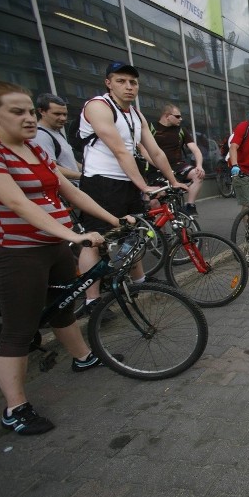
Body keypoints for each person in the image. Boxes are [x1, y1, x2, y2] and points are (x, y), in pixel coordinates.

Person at [0, 82, 130, 435]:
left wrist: (115, 219)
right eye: (17, 111)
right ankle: (15, 408)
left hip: (53, 243)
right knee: (19, 329)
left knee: (62, 307)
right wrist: (74, 235)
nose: (28, 118)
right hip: (17, 251)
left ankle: (83, 358)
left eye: (29, 110)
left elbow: (69, 190)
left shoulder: (34, 150)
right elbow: (16, 203)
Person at [76, 61, 188, 314]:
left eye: (133, 82)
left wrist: (172, 180)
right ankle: (91, 301)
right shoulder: (98, 106)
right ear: (108, 83)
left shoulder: (135, 115)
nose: (128, 87)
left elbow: (155, 152)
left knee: (134, 233)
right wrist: (144, 186)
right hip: (101, 182)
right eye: (121, 81)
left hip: (126, 183)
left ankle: (140, 282)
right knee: (95, 239)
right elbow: (118, 150)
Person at [146, 103, 205, 215]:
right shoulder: (151, 127)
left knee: (199, 174)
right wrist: (158, 165)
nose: (180, 119)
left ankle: (190, 205)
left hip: (177, 166)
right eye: (177, 116)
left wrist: (199, 165)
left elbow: (195, 150)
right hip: (155, 168)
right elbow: (142, 149)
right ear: (167, 116)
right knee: (155, 202)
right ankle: (159, 231)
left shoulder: (181, 130)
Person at [33, 94, 81, 181]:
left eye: (65, 114)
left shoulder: (56, 132)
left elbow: (70, 162)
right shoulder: (41, 135)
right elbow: (51, 167)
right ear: (42, 111)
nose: (63, 118)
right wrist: (83, 177)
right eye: (57, 114)